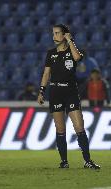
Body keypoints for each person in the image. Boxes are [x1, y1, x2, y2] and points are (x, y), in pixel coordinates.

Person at [37, 24, 100, 169]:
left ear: (65, 35)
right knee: (60, 129)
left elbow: (77, 58)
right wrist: (41, 91)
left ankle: (87, 160)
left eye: (58, 33)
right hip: (55, 92)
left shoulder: (73, 50)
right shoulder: (50, 53)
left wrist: (70, 41)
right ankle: (64, 161)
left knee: (79, 126)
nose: (54, 36)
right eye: (53, 33)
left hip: (71, 92)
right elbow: (46, 74)